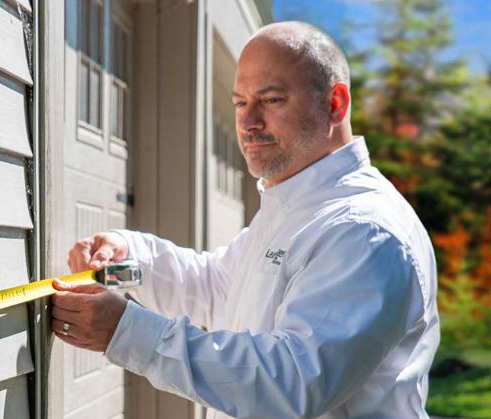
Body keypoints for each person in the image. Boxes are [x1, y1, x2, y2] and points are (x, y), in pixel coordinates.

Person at [51, 21, 439, 419]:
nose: (247, 122)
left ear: (335, 104)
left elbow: (291, 383)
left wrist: (126, 332)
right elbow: (214, 288)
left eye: (271, 100)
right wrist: (126, 261)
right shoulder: (293, 209)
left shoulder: (362, 230)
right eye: (239, 102)